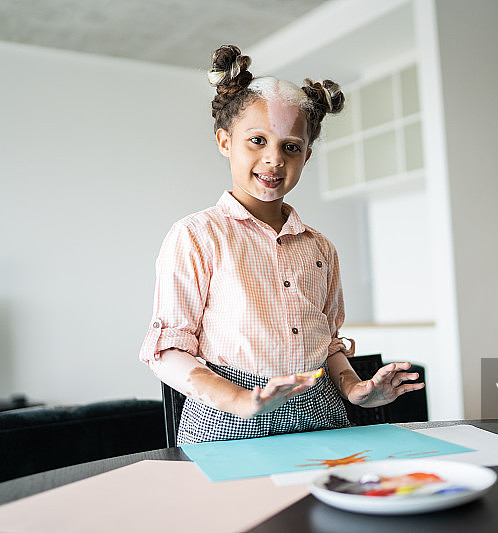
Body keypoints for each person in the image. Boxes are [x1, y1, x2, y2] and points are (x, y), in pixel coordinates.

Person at [139, 44, 424, 444]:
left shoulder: (320, 247)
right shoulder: (196, 235)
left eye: (291, 147)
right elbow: (167, 352)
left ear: (306, 156)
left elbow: (326, 344)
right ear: (225, 142)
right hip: (227, 418)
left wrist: (356, 389)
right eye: (257, 140)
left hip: (321, 410)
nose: (274, 160)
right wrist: (241, 400)